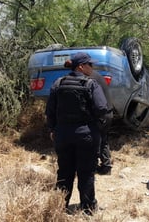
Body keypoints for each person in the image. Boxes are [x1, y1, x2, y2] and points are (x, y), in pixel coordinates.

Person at [45, 52, 108, 215]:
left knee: (64, 172)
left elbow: (49, 111)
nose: (92, 68)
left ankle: (59, 207)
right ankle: (88, 209)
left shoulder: (58, 83)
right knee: (86, 172)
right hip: (86, 135)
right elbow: (102, 108)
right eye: (90, 65)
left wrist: (52, 129)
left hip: (63, 135)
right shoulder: (91, 84)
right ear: (81, 66)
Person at [89, 70, 114, 175]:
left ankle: (93, 166)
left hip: (101, 114)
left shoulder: (90, 78)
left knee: (94, 140)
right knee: (103, 139)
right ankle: (106, 167)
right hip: (108, 113)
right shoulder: (96, 75)